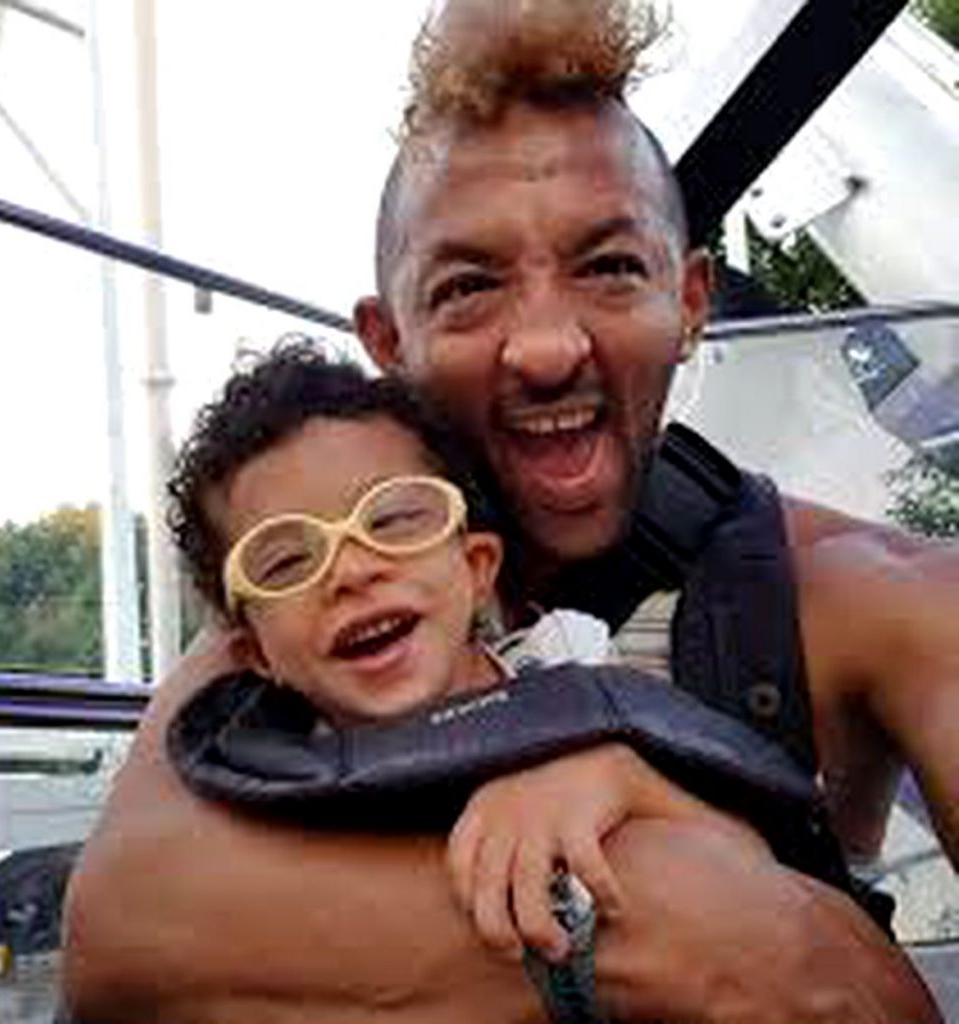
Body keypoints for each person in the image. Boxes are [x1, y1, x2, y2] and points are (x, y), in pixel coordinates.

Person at [63, 1, 956, 1020]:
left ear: (690, 301)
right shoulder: (317, 606)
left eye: (610, 267)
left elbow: (156, 927)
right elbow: (116, 932)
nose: (545, 347)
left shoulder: (881, 601)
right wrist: (679, 911)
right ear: (388, 339)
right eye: (468, 287)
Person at [161, 342, 773, 973]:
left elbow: (760, 866)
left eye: (394, 520)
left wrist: (620, 780)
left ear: (478, 568)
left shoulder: (577, 667)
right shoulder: (269, 797)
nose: (351, 571)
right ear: (257, 654)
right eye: (287, 560)